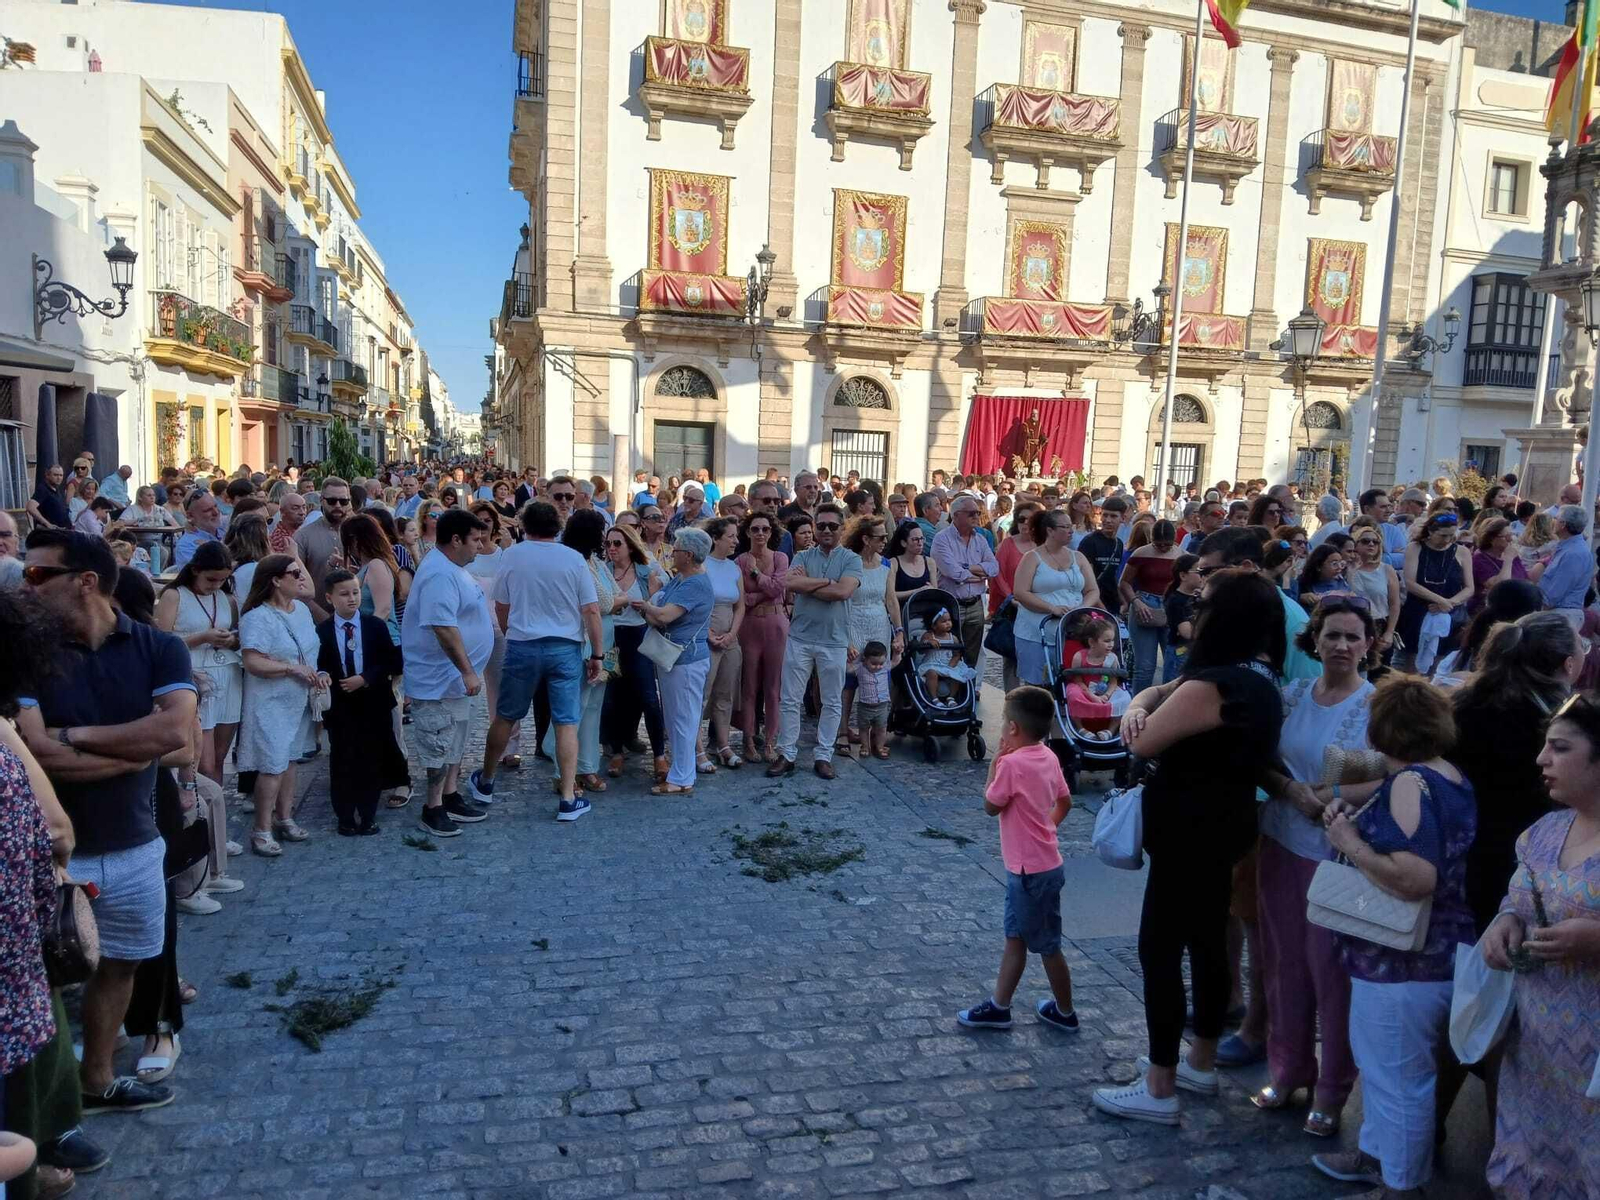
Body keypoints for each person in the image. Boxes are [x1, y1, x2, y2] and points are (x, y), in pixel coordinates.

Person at [1092, 570, 1285, 1126]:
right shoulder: (1257, 677)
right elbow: (1157, 696)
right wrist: (1143, 701)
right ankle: (1198, 1061)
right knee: (1206, 944)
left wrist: (1138, 713)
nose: (1192, 611)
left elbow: (1146, 738)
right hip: (1227, 825)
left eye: (1201, 604)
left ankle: (1159, 1083)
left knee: (1160, 950)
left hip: (1188, 830)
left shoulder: (1212, 685)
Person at [17, 529, 195, 1115]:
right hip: (52, 855)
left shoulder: (159, 648)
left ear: (86, 581)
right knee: (36, 985)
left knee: (122, 964)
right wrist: (135, 750)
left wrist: (77, 738)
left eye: (39, 574)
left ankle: (96, 1079)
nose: (26, 584)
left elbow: (176, 735)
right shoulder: (25, 656)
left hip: (136, 844)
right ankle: (44, 1117)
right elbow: (34, 753)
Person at [1308, 680, 1476, 1199]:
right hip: (1436, 955)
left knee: (1398, 1081)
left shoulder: (1410, 784)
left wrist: (1348, 841)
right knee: (1388, 1073)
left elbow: (1415, 875)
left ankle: (1401, 1188)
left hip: (1404, 962)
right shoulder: (1448, 775)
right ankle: (1374, 1157)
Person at [1250, 597, 1376, 1138]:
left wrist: (1332, 793)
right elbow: (1264, 756)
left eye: (1352, 637)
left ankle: (1332, 1089)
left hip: (1337, 854)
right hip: (1279, 841)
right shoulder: (1292, 695)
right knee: (1281, 965)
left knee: (1331, 973)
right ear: (1314, 640)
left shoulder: (1378, 706)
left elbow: (1395, 771)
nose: (1342, 646)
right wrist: (1287, 789)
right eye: (1333, 636)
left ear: (1368, 643)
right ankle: (1288, 1067)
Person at [1480, 690, 1600, 1198]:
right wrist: (1504, 922)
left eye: (1560, 748)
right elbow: (1518, 900)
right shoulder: (1545, 831)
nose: (1541, 759)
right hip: (1536, 1052)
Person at [469, 502, 603, 819]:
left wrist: (510, 630)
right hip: (565, 647)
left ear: (525, 525)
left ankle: (486, 782)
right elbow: (591, 610)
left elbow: (501, 605)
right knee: (567, 722)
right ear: (557, 525)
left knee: (505, 716)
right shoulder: (573, 558)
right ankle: (568, 798)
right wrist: (597, 653)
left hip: (523, 644)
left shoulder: (513, 555)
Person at [956, 685, 1078, 1033]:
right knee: (1016, 938)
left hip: (1029, 872)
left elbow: (990, 806)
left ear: (1011, 728)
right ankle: (1000, 1005)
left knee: (1048, 945)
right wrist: (1047, 829)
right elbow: (1064, 802)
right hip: (1038, 866)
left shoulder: (1010, 764)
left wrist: (995, 763)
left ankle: (1066, 1011)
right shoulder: (1048, 756)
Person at [402, 509, 496, 837]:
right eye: (476, 540)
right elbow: (443, 627)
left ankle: (450, 795)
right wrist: (468, 671)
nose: (481, 546)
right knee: (438, 744)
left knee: (455, 739)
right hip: (439, 680)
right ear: (455, 540)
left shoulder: (452, 568)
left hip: (454, 680)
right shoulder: (440, 574)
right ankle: (433, 807)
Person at [237, 555, 327, 855]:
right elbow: (252, 660)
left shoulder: (300, 610)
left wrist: (318, 674)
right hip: (270, 700)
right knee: (272, 764)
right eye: (294, 573)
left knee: (290, 760)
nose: (301, 577)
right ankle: (261, 828)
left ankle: (285, 817)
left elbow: (309, 651)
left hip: (298, 698)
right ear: (276, 579)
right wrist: (290, 669)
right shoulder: (257, 617)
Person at [768, 504, 863, 780]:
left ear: (842, 528)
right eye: (821, 525)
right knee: (789, 698)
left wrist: (810, 584)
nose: (826, 531)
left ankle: (824, 755)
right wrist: (826, 582)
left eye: (832, 526)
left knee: (831, 701)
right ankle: (787, 753)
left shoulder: (851, 559)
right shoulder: (802, 556)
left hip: (834, 640)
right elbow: (789, 584)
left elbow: (844, 592)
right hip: (800, 636)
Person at [316, 570, 408, 836]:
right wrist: (323, 676)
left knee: (371, 759)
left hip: (372, 702)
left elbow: (393, 661)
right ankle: (344, 815)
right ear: (329, 598)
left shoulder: (374, 626)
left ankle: (368, 814)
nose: (352, 599)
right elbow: (319, 663)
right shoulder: (322, 631)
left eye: (355, 592)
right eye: (344, 594)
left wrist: (366, 678)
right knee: (342, 759)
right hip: (340, 706)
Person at [154, 542, 241, 791]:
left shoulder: (226, 598)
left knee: (220, 758)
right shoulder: (175, 595)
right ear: (195, 570)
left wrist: (230, 639)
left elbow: (235, 636)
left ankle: (216, 808)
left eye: (222, 580)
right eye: (211, 579)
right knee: (204, 761)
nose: (215, 585)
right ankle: (199, 809)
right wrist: (202, 637)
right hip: (195, 675)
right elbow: (162, 642)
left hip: (227, 673)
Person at [540, 510, 617, 794]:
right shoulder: (571, 561)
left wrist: (616, 601)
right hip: (582, 639)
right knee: (575, 707)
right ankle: (564, 772)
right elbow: (607, 601)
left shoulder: (596, 561)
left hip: (606, 640)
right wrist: (617, 601)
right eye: (601, 530)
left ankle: (587, 766)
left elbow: (614, 595)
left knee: (595, 706)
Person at [636, 528, 717, 796]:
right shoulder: (681, 579)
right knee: (675, 717)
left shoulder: (695, 584)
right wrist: (652, 608)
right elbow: (657, 609)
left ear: (688, 555)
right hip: (674, 658)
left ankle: (682, 777)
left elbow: (663, 615)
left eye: (677, 549)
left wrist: (645, 606)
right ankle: (679, 772)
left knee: (683, 718)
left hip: (686, 659)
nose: (672, 552)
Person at [1195, 527, 1321, 682]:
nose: (1202, 582)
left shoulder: (1290, 618)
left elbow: (1309, 686)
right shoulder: (1221, 612)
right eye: (1200, 573)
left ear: (1246, 567)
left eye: (1209, 572)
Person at [601, 525, 668, 781]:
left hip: (638, 636)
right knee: (611, 697)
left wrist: (645, 607)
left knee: (648, 697)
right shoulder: (603, 572)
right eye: (608, 544)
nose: (612, 549)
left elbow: (657, 607)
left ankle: (659, 756)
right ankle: (616, 751)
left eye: (617, 543)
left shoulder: (644, 572)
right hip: (610, 640)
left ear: (630, 545)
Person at [1012, 507, 1097, 688]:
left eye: (1071, 526)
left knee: (1070, 681)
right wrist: (1051, 608)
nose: (1070, 531)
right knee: (1037, 683)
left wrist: (1082, 608)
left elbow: (1092, 590)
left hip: (1072, 629)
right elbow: (1020, 592)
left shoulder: (1078, 557)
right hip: (1036, 631)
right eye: (1064, 527)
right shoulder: (1032, 558)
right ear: (1050, 531)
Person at [841, 516, 902, 749]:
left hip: (878, 624)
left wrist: (899, 632)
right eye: (880, 537)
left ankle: (877, 735)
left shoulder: (887, 564)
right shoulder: (850, 562)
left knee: (879, 678)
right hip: (854, 622)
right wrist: (845, 638)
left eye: (886, 536)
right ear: (865, 539)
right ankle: (843, 729)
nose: (885, 541)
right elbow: (843, 600)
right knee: (849, 680)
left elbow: (891, 600)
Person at [735, 511, 789, 764]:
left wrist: (756, 577)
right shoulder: (739, 561)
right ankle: (748, 739)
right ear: (747, 532)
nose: (760, 534)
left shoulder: (780, 557)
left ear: (771, 533)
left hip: (776, 623)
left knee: (773, 686)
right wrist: (763, 592)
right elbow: (740, 596)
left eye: (765, 529)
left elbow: (779, 587)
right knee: (749, 685)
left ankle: (770, 741)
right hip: (749, 625)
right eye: (755, 529)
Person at [695, 517, 746, 772]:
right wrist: (708, 633)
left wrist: (731, 634)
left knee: (725, 693)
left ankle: (723, 744)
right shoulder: (702, 566)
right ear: (716, 539)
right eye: (731, 536)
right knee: (701, 694)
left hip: (729, 637)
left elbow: (741, 605)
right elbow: (694, 602)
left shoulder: (734, 568)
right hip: (706, 635)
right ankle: (697, 748)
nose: (736, 541)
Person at [1395, 512, 1474, 672]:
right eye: (1443, 535)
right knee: (1413, 663)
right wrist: (1439, 600)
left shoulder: (1462, 552)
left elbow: (1469, 588)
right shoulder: (1415, 548)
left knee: (1441, 664)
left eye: (1451, 536)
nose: (1447, 540)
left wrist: (1448, 603)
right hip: (1419, 610)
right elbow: (1410, 582)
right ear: (1430, 532)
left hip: (1450, 612)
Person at [930, 495, 997, 671]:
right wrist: (977, 574)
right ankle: (951, 692)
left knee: (972, 653)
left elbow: (994, 568)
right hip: (951, 604)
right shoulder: (942, 539)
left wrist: (967, 567)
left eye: (978, 512)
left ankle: (968, 688)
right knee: (951, 650)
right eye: (971, 513)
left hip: (975, 603)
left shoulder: (980, 539)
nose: (977, 516)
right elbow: (952, 572)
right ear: (957, 515)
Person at [1120, 518, 1182, 692]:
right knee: (1145, 666)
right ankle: (1138, 706)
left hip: (1169, 605)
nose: (1162, 548)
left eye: (1167, 545)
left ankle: (1166, 707)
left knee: (1172, 662)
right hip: (1144, 603)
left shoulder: (1181, 555)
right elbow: (1124, 582)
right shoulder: (1141, 553)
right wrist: (1136, 602)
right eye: (1158, 545)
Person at [1343, 517, 1401, 659]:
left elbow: (1394, 604)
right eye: (1365, 541)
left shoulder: (1387, 570)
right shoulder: (1345, 568)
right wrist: (1351, 571)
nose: (1371, 544)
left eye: (1375, 542)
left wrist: (1389, 632)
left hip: (1380, 626)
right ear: (1355, 544)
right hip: (1353, 625)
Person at [294, 476, 355, 600]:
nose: (338, 505)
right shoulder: (303, 536)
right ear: (322, 500)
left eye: (343, 501)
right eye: (332, 501)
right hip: (317, 613)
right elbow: (296, 583)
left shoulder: (359, 532)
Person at [1537, 505, 1594, 628]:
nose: (1553, 522)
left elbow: (1555, 593)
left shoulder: (1574, 553)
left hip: (1560, 617)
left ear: (1563, 524)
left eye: (1556, 519)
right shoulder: (1567, 548)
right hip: (1557, 614)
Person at [1469, 516, 1530, 616]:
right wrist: (1508, 559)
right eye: (1506, 536)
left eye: (1511, 535)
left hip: (1517, 607)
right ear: (1491, 539)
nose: (1510, 539)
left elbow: (1524, 577)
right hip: (1492, 611)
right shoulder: (1480, 558)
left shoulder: (1509, 553)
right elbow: (1501, 585)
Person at [171, 490, 223, 569]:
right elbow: (206, 576)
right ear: (190, 515)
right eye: (207, 510)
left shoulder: (225, 530)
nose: (216, 512)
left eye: (215, 506)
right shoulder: (187, 545)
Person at [1297, 543, 1349, 609]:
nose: (1339, 568)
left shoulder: (1342, 582)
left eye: (1341, 563)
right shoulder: (1304, 585)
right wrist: (1299, 597)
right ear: (1318, 566)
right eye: (1334, 564)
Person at [26, 465, 70, 531]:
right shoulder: (43, 489)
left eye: (61, 475)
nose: (59, 478)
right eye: (55, 475)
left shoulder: (57, 490)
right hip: (50, 534)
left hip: (62, 532)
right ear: (47, 475)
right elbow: (30, 507)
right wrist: (47, 524)